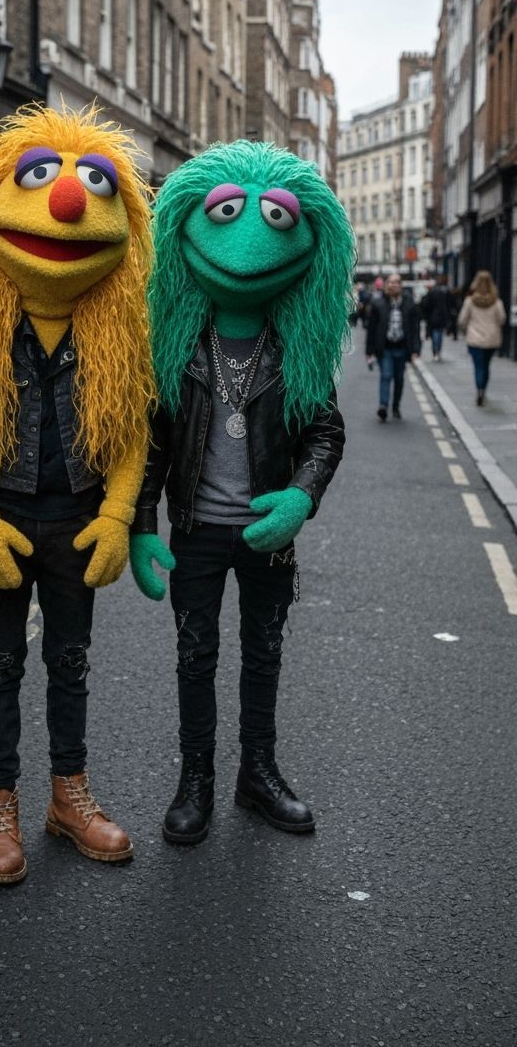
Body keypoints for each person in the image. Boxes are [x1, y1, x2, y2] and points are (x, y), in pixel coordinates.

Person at [0, 105, 154, 884]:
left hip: (76, 516)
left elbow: (133, 433)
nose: (67, 207)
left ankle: (69, 796)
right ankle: (0, 807)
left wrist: (116, 516)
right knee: (0, 667)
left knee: (70, 662)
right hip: (4, 512)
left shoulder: (118, 329)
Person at [130, 142, 352, 842]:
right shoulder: (178, 346)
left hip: (267, 534)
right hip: (197, 529)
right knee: (195, 655)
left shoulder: (295, 347)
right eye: (226, 216)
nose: (249, 243)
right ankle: (194, 781)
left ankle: (258, 774)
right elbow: (153, 442)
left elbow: (324, 432)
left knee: (264, 652)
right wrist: (140, 524)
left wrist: (300, 499)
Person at [365, 273, 421, 420]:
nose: (393, 285)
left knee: (399, 379)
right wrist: (369, 351)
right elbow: (371, 329)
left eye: (396, 282)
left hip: (402, 348)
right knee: (386, 375)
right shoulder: (378, 303)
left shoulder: (409, 302)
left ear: (401, 285)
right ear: (386, 285)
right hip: (385, 348)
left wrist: (415, 350)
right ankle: (383, 406)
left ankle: (396, 406)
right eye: (390, 282)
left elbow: (415, 328)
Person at [457, 270, 507, 406]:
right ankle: (483, 390)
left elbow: (462, 320)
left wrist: (466, 329)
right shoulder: (496, 302)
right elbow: (502, 319)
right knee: (486, 366)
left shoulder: (470, 301)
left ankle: (479, 390)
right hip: (491, 339)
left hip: (475, 339)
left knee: (478, 366)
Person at [420, 274, 456, 362]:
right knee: (438, 334)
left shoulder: (432, 292)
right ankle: (437, 351)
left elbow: (426, 305)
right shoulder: (446, 291)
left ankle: (435, 352)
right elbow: (451, 304)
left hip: (433, 316)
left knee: (435, 334)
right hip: (442, 316)